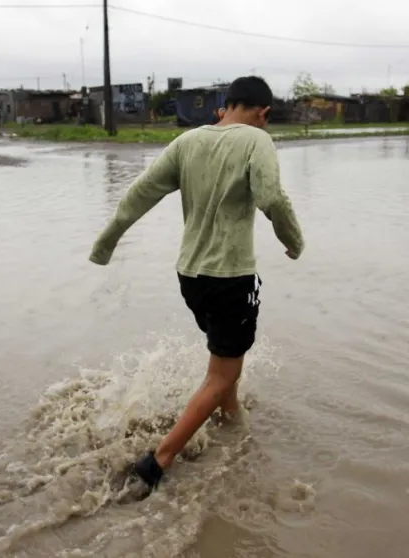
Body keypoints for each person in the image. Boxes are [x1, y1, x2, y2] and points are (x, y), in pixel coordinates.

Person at [88, 76, 304, 493]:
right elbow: (272, 198)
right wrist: (293, 242)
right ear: (263, 112)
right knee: (222, 373)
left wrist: (106, 242)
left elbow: (139, 193)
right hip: (231, 277)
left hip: (190, 277)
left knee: (225, 359)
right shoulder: (257, 141)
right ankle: (157, 461)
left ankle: (230, 421)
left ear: (225, 105)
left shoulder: (187, 142)